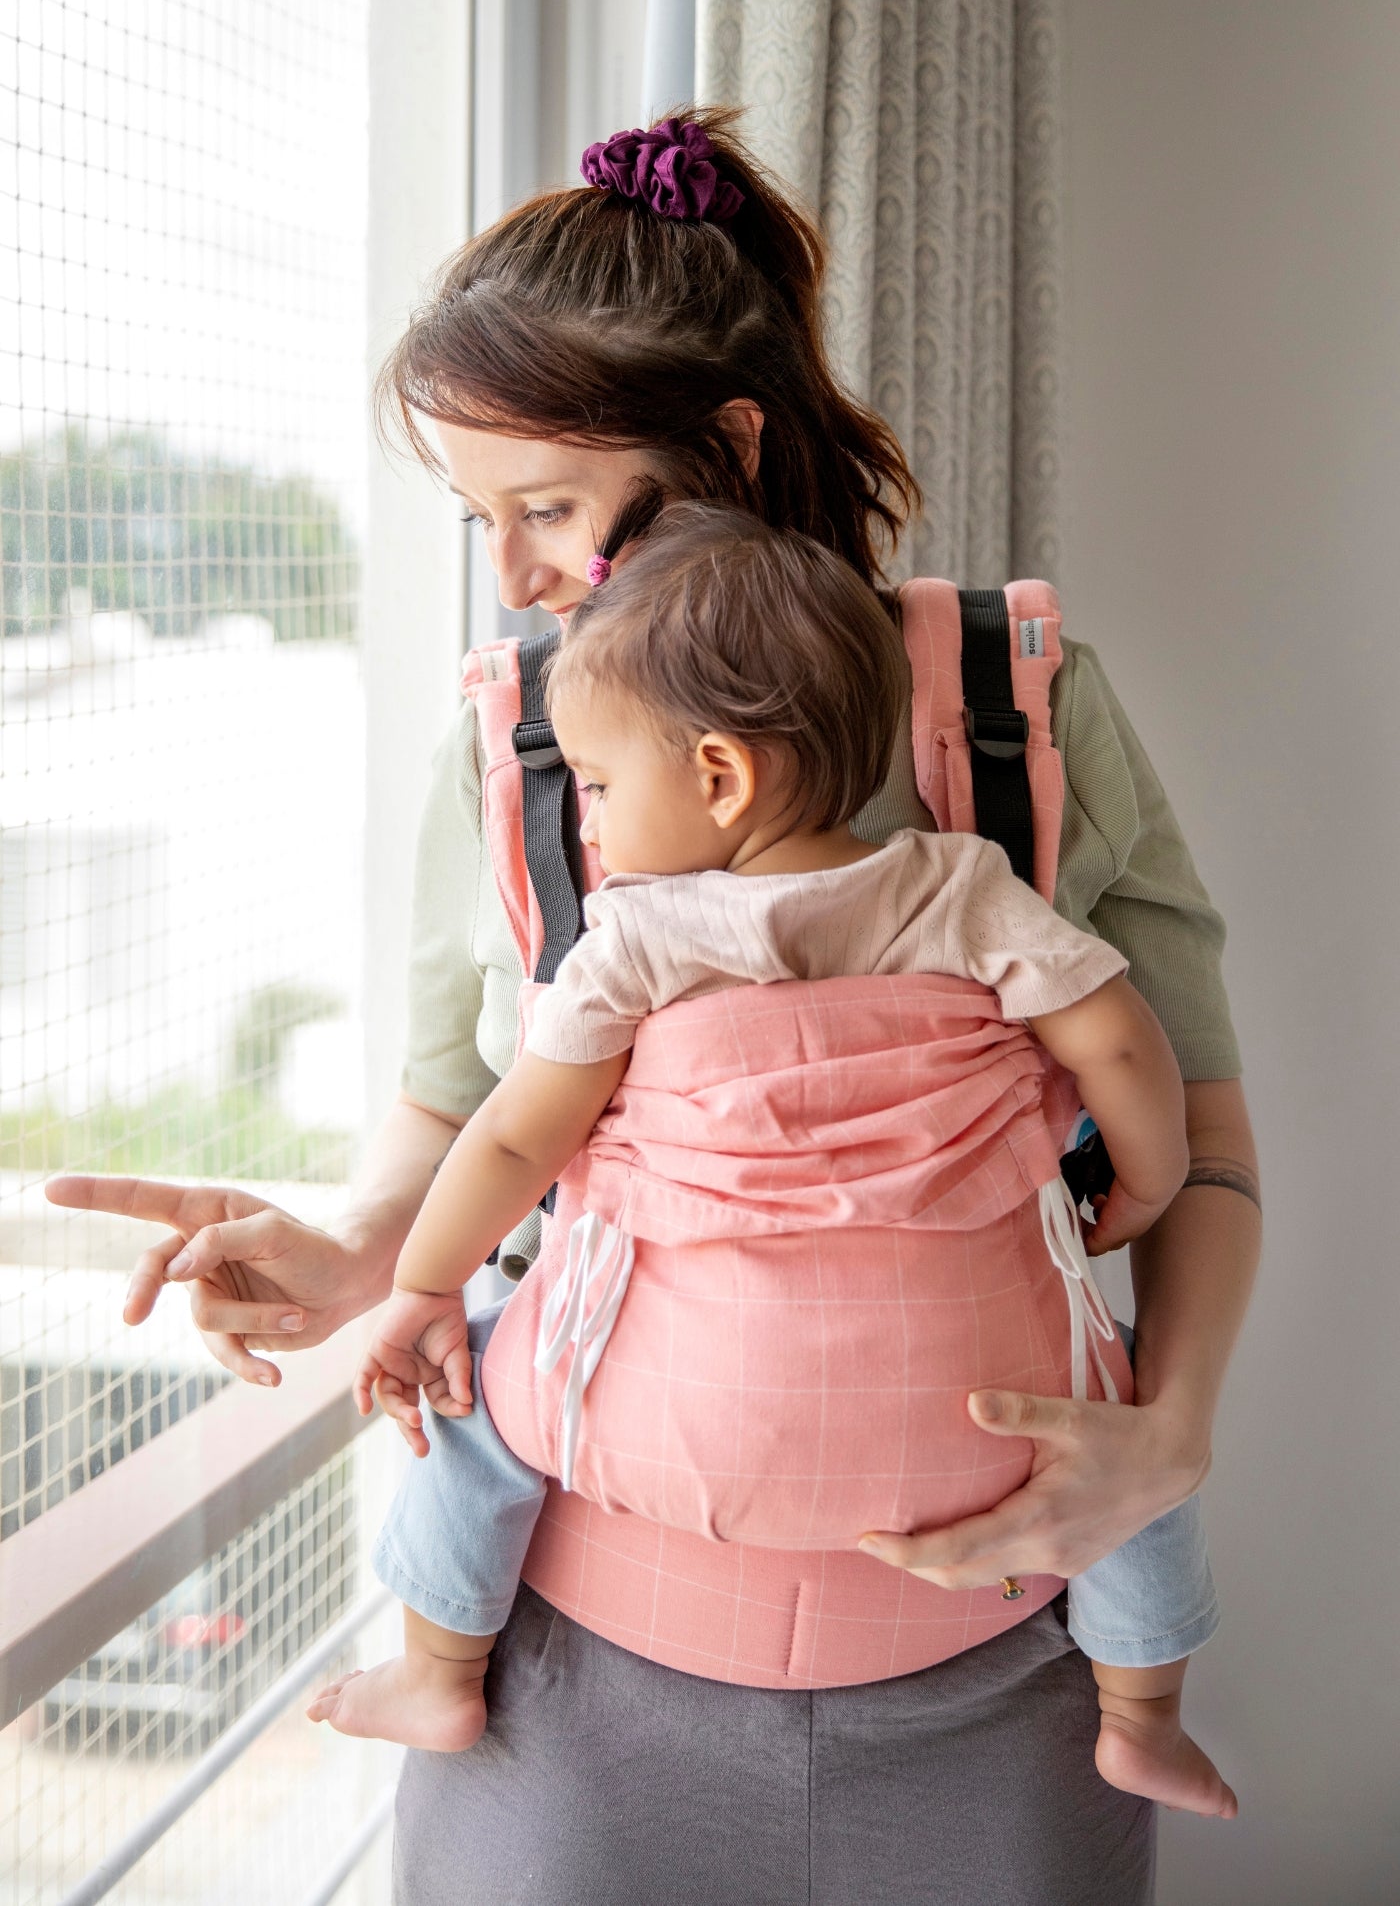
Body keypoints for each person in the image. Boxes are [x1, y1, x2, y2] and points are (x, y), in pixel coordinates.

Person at [50, 113, 1261, 1905]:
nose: (514, 575)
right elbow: (463, 1110)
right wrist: (361, 1256)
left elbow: (1201, 1142)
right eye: (480, 520)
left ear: (729, 451)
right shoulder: (519, 750)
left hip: (1005, 1690)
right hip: (571, 1710)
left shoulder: (1023, 713)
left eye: (545, 507)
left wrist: (1173, 1429)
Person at [304, 501, 1232, 1820]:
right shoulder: (964, 887)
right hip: (989, 1431)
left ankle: (438, 1668)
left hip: (677, 1435)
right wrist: (1145, 1179)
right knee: (1138, 1443)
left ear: (720, 777)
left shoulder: (635, 941)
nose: (594, 823)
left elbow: (513, 1133)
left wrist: (419, 1287)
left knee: (472, 1411)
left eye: (603, 786)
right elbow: (1123, 1042)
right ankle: (1143, 1711)